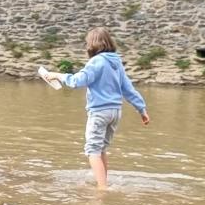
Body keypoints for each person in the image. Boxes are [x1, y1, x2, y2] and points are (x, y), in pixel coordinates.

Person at [43, 27, 150, 190]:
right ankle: (104, 183)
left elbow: (77, 81)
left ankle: (102, 189)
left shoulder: (96, 61)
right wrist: (142, 110)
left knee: (92, 149)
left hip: (99, 112)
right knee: (101, 149)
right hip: (115, 112)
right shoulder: (116, 62)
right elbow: (128, 88)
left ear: (92, 44)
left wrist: (57, 75)